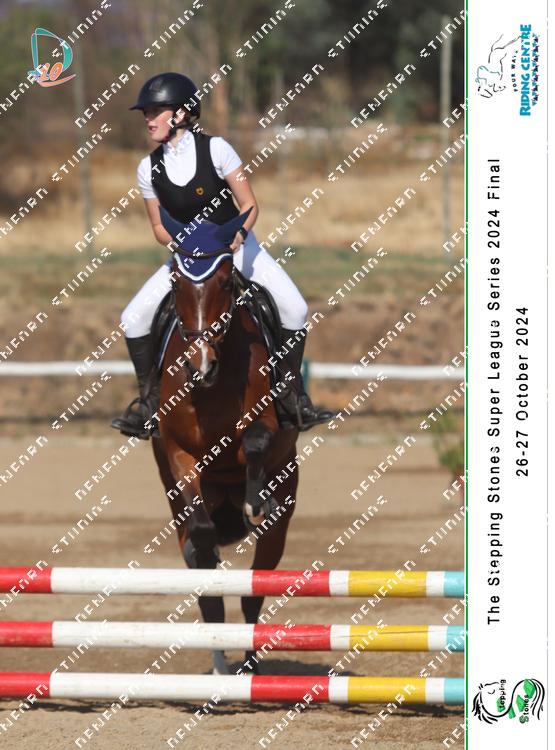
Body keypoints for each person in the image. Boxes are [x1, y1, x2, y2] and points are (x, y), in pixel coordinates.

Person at [111, 72, 332, 440]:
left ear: (181, 113)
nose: (148, 119)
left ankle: (292, 398)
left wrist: (238, 235)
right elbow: (159, 227)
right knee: (132, 318)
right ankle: (148, 405)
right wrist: (184, 249)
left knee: (295, 308)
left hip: (236, 247)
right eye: (145, 113)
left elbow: (249, 205)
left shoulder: (217, 150)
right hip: (188, 256)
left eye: (155, 111)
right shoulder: (147, 168)